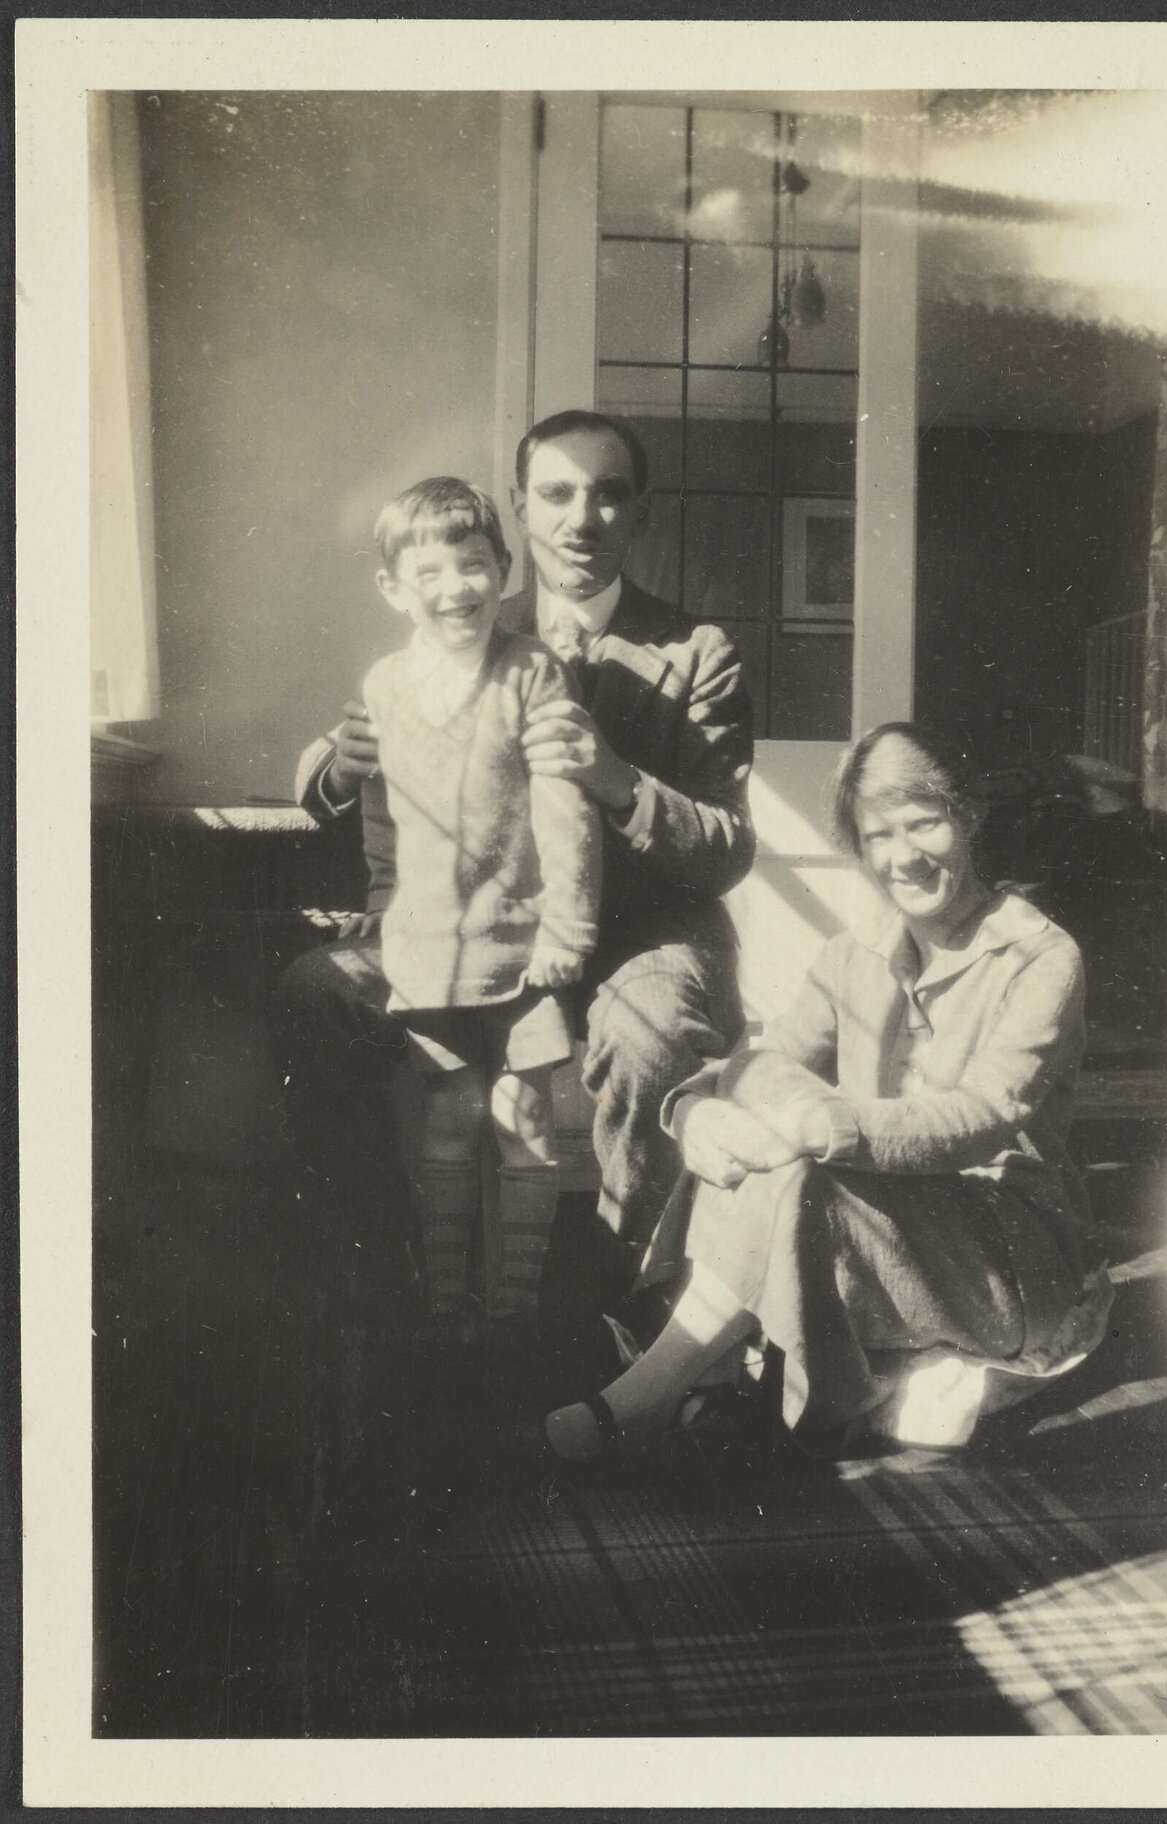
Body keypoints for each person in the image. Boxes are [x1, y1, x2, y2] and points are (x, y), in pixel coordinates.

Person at [277, 410, 754, 1326]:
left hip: (632, 933)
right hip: (471, 921)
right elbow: (335, 766)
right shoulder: (457, 608)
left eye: (609, 494)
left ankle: (631, 1306)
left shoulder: (697, 654)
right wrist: (339, 762)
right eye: (557, 493)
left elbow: (727, 847)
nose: (583, 518)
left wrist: (615, 779)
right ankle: (384, 1277)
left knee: (653, 1029)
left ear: (639, 515)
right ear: (519, 509)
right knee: (316, 994)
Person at [538, 722, 1113, 1467]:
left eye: (924, 823)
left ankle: (652, 1394)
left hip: (1008, 1251)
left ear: (968, 818)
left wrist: (818, 1124)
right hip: (891, 1224)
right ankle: (686, 1383)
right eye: (878, 836)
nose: (902, 856)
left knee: (796, 1166)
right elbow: (765, 1059)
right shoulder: (857, 951)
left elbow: (983, 1116)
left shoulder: (1039, 955)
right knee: (753, 1130)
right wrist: (696, 1108)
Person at [355, 476, 599, 1329]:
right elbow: (378, 808)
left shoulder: (531, 669)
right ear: (394, 590)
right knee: (451, 1116)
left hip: (523, 943)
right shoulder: (385, 685)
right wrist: (383, 904)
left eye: (471, 565)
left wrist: (567, 926)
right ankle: (448, 1307)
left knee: (524, 1116)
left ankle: (514, 1313)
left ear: (502, 568)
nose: (454, 587)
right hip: (428, 947)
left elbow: (564, 805)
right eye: (429, 572)